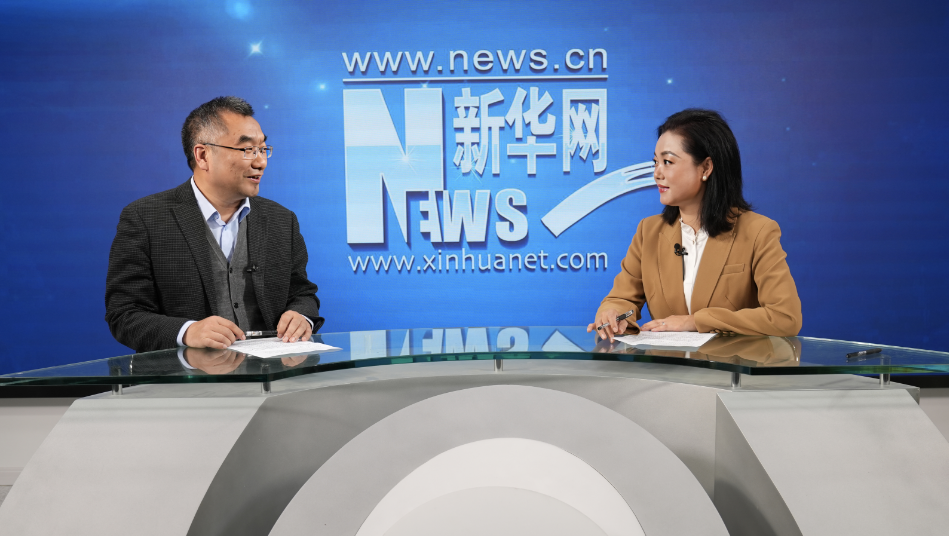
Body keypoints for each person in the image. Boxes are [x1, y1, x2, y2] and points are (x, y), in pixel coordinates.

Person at [105, 96, 323, 352]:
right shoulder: (145, 218)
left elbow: (302, 294)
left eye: (263, 149)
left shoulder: (281, 220)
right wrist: (187, 332)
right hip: (186, 374)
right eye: (247, 150)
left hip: (272, 370)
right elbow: (124, 314)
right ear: (203, 155)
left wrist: (301, 315)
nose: (261, 162)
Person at [588, 109, 801, 341]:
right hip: (666, 364)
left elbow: (784, 317)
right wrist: (612, 314)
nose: (657, 173)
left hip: (731, 363)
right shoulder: (648, 231)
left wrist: (695, 322)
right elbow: (621, 299)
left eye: (668, 162)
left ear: (706, 168)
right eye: (655, 162)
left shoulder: (758, 231)